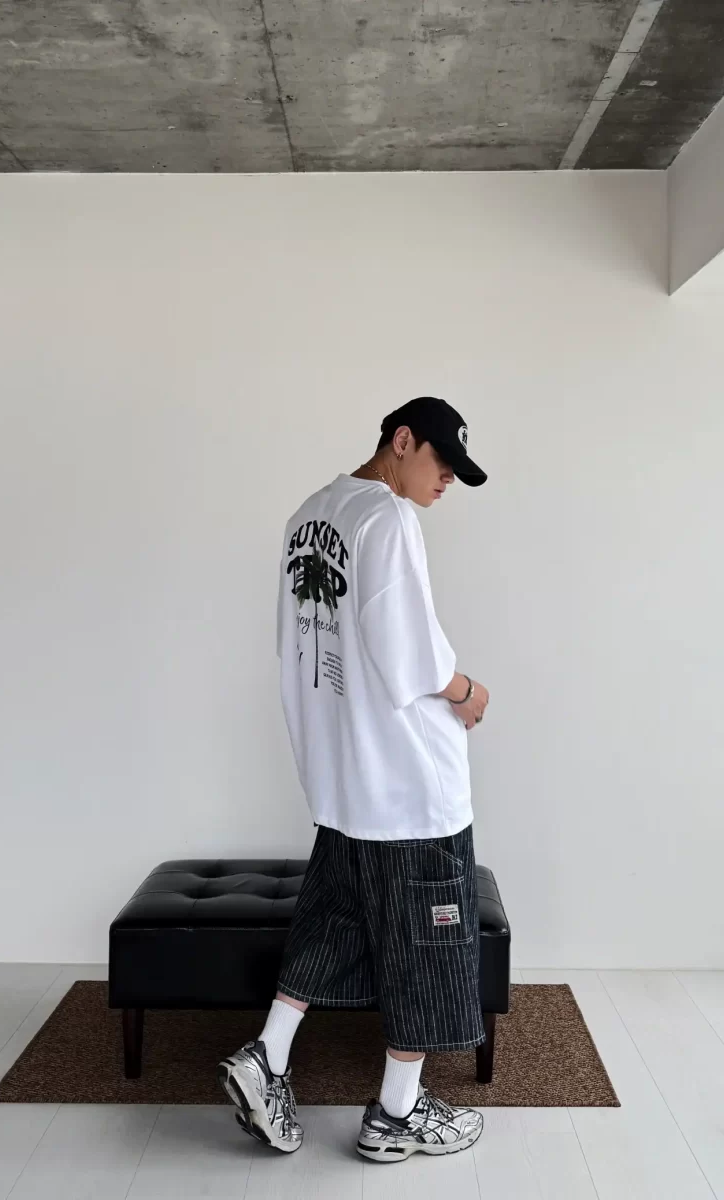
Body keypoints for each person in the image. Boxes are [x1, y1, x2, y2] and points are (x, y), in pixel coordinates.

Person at [218, 396, 490, 1165]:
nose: (447, 481)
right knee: (426, 943)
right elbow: (409, 655)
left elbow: (297, 644)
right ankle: (396, 1115)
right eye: (441, 462)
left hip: (342, 779)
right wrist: (468, 692)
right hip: (408, 783)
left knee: (334, 919)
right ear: (401, 441)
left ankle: (267, 1056)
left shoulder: (309, 515)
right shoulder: (388, 518)